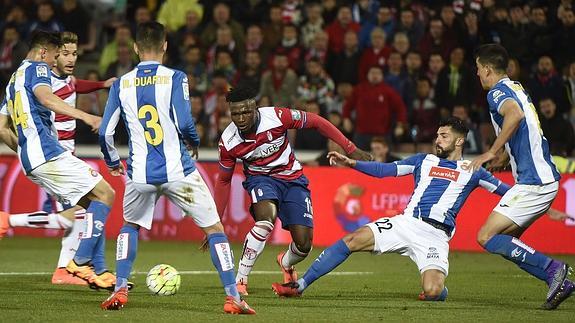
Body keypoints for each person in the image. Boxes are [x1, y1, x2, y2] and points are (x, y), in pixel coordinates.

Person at [98, 22, 254, 315]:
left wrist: (111, 162)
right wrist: (193, 142)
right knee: (214, 229)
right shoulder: (176, 77)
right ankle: (233, 297)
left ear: (135, 48)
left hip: (139, 172)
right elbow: (184, 122)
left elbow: (105, 131)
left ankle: (119, 287)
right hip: (178, 171)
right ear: (165, 46)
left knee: (129, 226)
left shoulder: (121, 84)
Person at [271, 117, 508, 301]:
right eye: (437, 135)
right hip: (406, 223)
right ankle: (300, 285)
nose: (438, 140)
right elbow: (385, 171)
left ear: (459, 141)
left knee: (433, 292)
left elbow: (508, 193)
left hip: (436, 236)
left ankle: (438, 290)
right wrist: (353, 163)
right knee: (353, 239)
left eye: (444, 136)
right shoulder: (422, 160)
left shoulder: (474, 170)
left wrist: (540, 199)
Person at [215, 83, 372, 296]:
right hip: (260, 179)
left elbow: (316, 122)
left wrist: (350, 148)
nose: (241, 118)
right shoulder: (228, 141)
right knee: (265, 222)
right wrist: (216, 222)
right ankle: (240, 279)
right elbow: (224, 181)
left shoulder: (278, 116)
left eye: (246, 112)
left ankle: (286, 262)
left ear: (256, 108)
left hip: (293, 179)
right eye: (236, 114)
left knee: (304, 244)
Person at [0, 31, 115, 290]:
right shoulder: (38, 68)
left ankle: (98, 272)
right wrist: (87, 117)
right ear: (43, 52)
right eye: (54, 56)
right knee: (106, 194)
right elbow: (46, 98)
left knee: (91, 207)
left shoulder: (12, 81)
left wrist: (26, 150)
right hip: (50, 154)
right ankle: (79, 263)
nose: (54, 63)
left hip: (33, 159)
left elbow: (1, 128)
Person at [468, 43, 572, 310]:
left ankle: (555, 271)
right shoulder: (517, 87)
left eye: (478, 69)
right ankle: (558, 279)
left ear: (488, 69)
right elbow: (523, 127)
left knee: (486, 237)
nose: (477, 74)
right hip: (542, 178)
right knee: (505, 241)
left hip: (533, 182)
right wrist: (505, 157)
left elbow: (513, 115)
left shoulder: (497, 92)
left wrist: (491, 151)